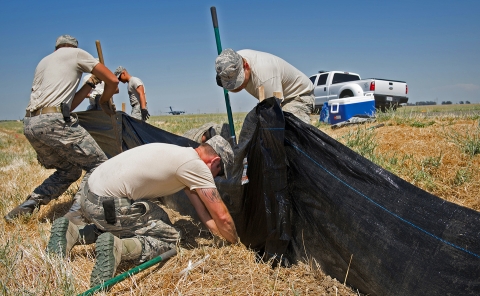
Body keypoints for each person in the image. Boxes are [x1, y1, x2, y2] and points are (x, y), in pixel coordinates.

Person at [46, 135, 239, 287]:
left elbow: (204, 213)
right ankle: (119, 249)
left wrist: (219, 236)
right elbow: (222, 216)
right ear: (214, 162)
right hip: (108, 205)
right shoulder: (196, 167)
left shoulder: (182, 154)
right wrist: (236, 242)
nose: (216, 178)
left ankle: (74, 233)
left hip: (89, 196)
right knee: (171, 237)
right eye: (219, 173)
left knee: (150, 216)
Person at [4, 35, 119, 222]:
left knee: (69, 171)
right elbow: (113, 81)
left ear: (56, 48)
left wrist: (90, 83)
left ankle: (26, 208)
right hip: (54, 122)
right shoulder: (76, 54)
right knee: (99, 165)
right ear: (73, 47)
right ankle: (76, 214)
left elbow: (69, 105)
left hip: (31, 124)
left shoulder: (43, 62)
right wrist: (104, 101)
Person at [215, 48, 315, 124]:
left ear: (246, 65)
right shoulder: (232, 61)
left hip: (298, 96)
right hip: (276, 98)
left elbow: (275, 114)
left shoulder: (265, 77)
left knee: (289, 128)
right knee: (250, 124)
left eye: (238, 81)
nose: (237, 87)